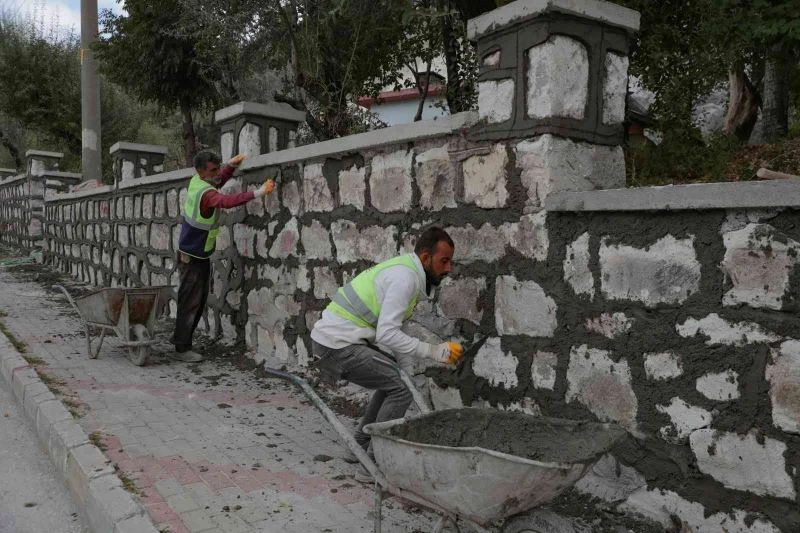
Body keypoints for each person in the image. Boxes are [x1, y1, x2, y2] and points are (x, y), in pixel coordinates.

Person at [310, 227, 464, 475]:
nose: (448, 269)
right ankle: (375, 462)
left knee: (394, 380)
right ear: (426, 257)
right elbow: (387, 334)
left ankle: (360, 447)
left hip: (338, 340)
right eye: (444, 261)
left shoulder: (407, 272)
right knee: (401, 389)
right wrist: (434, 352)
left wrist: (402, 367)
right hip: (336, 345)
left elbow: (393, 332)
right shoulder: (405, 280)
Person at [171, 151, 274, 362]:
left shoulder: (197, 181)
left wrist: (230, 166)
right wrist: (258, 193)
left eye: (218, 168)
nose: (217, 173)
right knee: (191, 302)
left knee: (194, 300)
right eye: (213, 169)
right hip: (192, 256)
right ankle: (181, 349)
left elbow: (216, 183)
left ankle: (182, 343)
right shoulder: (206, 195)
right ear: (201, 171)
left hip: (194, 252)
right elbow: (225, 201)